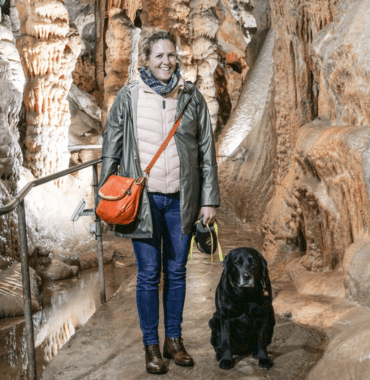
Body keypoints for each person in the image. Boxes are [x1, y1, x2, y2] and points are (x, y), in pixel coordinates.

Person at [98, 30, 220, 374]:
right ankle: (151, 345)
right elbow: (111, 149)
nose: (166, 62)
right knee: (150, 274)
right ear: (146, 61)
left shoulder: (192, 97)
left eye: (171, 56)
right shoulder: (128, 97)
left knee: (178, 272)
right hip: (144, 201)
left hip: (182, 199)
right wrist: (107, 198)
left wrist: (208, 200)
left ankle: (174, 340)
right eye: (159, 56)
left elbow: (206, 152)